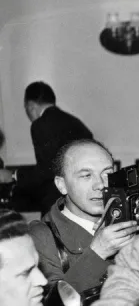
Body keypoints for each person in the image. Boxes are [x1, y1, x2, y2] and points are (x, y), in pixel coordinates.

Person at [28, 121, 139, 296]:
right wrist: (98, 252)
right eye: (86, 175)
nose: (100, 184)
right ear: (61, 185)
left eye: (107, 173)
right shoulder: (42, 235)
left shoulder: (131, 209)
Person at [0, 82, 94, 214]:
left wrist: (13, 176)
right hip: (82, 200)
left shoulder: (40, 124)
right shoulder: (76, 123)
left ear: (31, 106)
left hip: (56, 203)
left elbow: (47, 170)